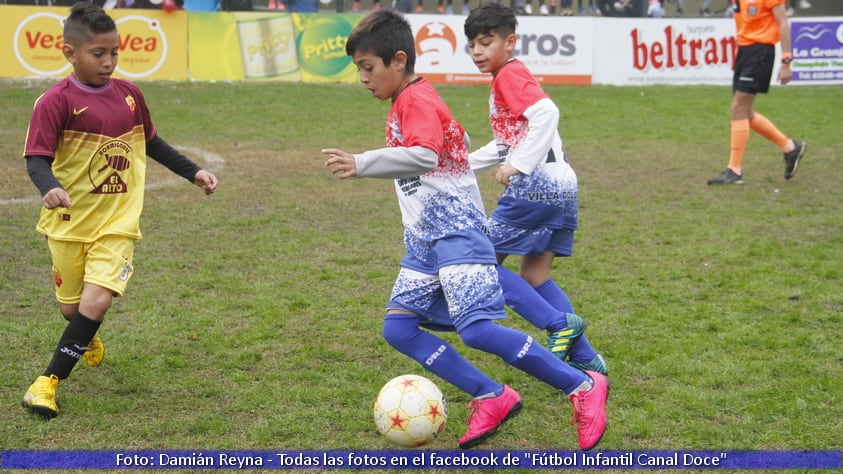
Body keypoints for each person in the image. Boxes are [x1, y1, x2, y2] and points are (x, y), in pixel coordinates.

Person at [323, 9, 608, 450]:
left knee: (476, 328)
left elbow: (424, 156)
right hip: (425, 240)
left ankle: (581, 385)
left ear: (398, 60)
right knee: (398, 328)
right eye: (359, 69)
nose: (363, 78)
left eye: (367, 67)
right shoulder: (407, 101)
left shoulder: (416, 98)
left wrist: (362, 163)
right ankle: (491, 395)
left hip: (455, 231)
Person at [21, 2, 219, 418]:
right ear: (69, 53)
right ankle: (84, 333)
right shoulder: (54, 102)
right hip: (69, 223)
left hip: (118, 222)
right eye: (99, 54)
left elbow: (151, 142)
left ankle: (46, 383)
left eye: (114, 52)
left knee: (98, 302)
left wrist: (194, 172)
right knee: (72, 310)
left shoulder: (130, 95)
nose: (109, 62)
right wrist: (50, 187)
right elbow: (36, 158)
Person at [464, 2, 607, 377]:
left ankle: (561, 325)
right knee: (535, 275)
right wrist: (461, 166)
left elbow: (547, 114)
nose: (477, 51)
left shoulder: (508, 75)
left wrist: (520, 165)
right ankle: (588, 358)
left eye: (485, 42)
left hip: (537, 183)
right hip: (562, 182)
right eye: (472, 45)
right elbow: (505, 145)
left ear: (509, 42)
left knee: (480, 264)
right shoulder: (510, 76)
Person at [707, 0, 806, 185]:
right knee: (745, 112)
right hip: (745, 50)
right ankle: (790, 147)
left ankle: (734, 170)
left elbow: (783, 22)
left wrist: (786, 61)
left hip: (760, 51)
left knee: (738, 108)